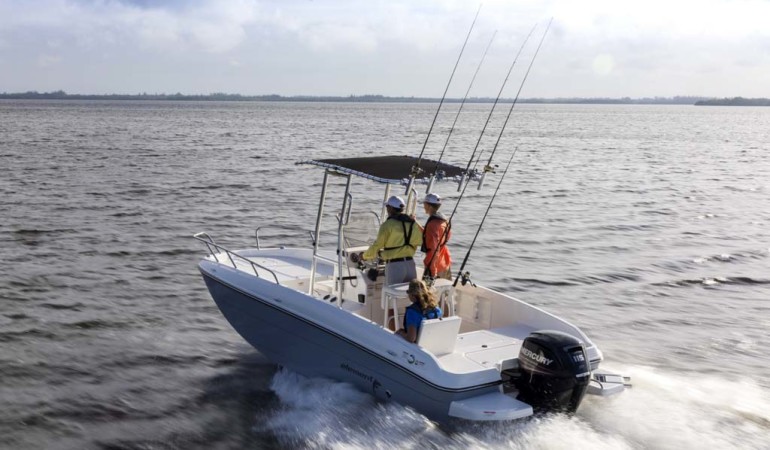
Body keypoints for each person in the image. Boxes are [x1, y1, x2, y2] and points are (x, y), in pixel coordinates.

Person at [362, 195, 423, 286]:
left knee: (391, 295)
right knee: (409, 296)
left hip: (395, 266)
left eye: (387, 206)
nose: (387, 208)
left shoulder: (387, 225)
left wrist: (364, 256)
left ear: (390, 208)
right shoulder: (412, 224)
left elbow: (377, 246)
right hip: (410, 264)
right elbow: (420, 241)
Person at [396, 279, 443, 343]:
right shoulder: (437, 309)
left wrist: (401, 333)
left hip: (417, 347)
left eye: (408, 292)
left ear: (412, 295)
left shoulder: (412, 312)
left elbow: (411, 338)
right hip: (432, 342)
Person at [419, 193, 452, 280]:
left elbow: (434, 249)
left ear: (429, 206)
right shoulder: (444, 221)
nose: (423, 206)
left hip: (434, 267)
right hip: (445, 263)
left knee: (426, 293)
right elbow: (433, 236)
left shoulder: (432, 224)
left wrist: (432, 272)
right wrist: (415, 222)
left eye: (424, 204)